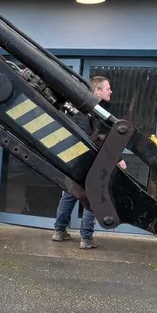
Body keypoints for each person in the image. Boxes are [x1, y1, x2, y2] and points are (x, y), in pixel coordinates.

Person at [53, 75, 125, 250]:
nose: (111, 91)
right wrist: (119, 159)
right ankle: (86, 238)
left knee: (70, 194)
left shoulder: (78, 109)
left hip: (73, 161)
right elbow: (101, 140)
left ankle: (59, 231)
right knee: (93, 197)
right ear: (97, 91)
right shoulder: (95, 111)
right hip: (89, 162)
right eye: (107, 88)